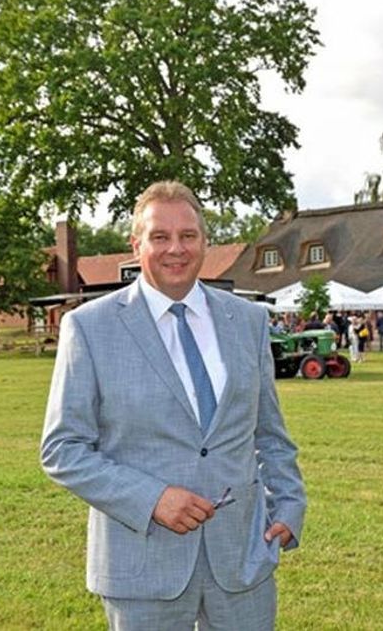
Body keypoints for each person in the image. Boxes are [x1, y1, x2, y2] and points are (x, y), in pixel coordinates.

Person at [40, 181, 306, 631]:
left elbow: (269, 433)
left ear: (205, 241)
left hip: (242, 562)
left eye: (188, 236)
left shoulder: (248, 321)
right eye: (160, 236)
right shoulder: (88, 327)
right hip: (143, 567)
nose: (175, 249)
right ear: (136, 244)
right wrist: (152, 499)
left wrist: (290, 504)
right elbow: (63, 450)